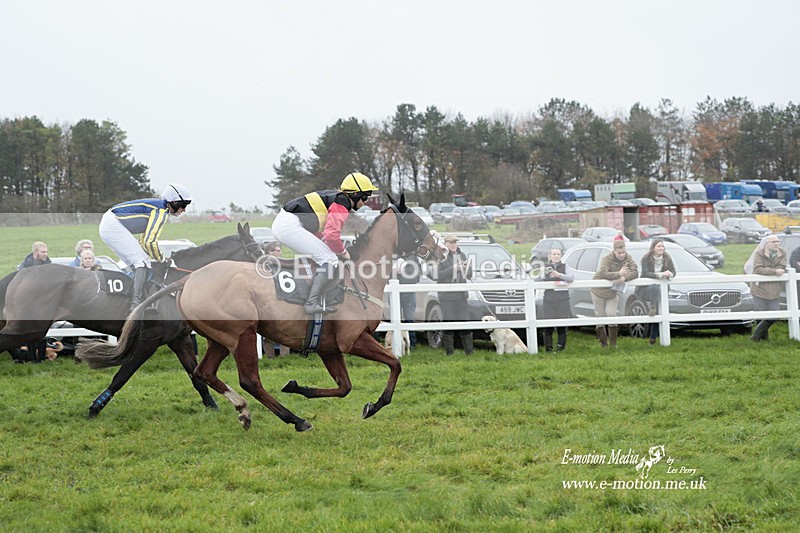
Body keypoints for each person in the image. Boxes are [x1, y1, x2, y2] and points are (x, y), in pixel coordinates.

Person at [271, 172, 378, 314]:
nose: (365, 202)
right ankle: (311, 303)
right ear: (355, 194)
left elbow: (319, 231)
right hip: (288, 226)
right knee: (330, 259)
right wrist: (343, 252)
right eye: (365, 197)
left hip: (287, 223)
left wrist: (334, 248)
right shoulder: (342, 204)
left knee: (326, 256)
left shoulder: (335, 199)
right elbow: (332, 236)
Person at [99, 183, 193, 311]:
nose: (184, 209)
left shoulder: (158, 208)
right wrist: (162, 259)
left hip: (110, 224)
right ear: (175, 202)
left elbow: (143, 242)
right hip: (112, 224)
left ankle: (131, 297)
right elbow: (150, 242)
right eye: (184, 205)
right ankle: (136, 304)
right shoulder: (161, 211)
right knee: (142, 262)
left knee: (140, 264)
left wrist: (158, 257)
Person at [591, 240, 638, 348]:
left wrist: (624, 277)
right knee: (600, 315)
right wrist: (618, 274)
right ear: (614, 251)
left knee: (612, 314)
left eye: (623, 252)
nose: (622, 255)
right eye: (619, 253)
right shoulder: (606, 258)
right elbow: (604, 273)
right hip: (598, 290)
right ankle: (603, 344)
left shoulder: (628, 258)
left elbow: (635, 272)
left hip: (612, 291)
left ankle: (613, 345)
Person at [14, 242, 52, 363]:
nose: (46, 254)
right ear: (35, 253)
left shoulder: (49, 265)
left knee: (42, 331)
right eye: (43, 252)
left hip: (43, 302)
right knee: (30, 332)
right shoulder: (24, 266)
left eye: (46, 251)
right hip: (28, 303)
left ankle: (40, 359)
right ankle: (31, 358)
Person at [436, 235, 473, 355]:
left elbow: (469, 275)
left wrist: (467, 268)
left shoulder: (462, 255)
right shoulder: (440, 257)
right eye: (451, 243)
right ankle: (449, 352)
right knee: (449, 324)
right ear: (445, 244)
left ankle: (469, 352)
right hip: (447, 296)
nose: (453, 245)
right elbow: (437, 275)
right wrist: (454, 268)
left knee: (465, 324)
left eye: (455, 242)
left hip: (462, 295)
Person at [639, 239, 676, 345]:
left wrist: (670, 274)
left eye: (662, 246)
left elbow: (673, 271)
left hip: (662, 289)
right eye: (659, 246)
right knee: (654, 288)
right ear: (653, 248)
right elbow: (646, 273)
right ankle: (653, 306)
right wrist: (660, 275)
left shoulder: (667, 258)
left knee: (660, 312)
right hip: (646, 289)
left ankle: (653, 338)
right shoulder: (646, 258)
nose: (661, 248)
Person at [749, 235, 786, 341]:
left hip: (774, 289)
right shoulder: (759, 253)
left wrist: (774, 270)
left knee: (774, 315)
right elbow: (758, 269)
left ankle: (755, 337)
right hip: (759, 289)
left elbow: (782, 267)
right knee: (760, 315)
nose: (776, 243)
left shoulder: (782, 252)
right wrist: (774, 271)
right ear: (767, 243)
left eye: (777, 241)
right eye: (773, 241)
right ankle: (763, 339)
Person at [541, 247, 574, 352]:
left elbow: (571, 278)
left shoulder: (565, 266)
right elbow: (537, 279)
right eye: (554, 254)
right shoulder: (545, 267)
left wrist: (558, 275)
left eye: (558, 254)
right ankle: (548, 348)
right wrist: (541, 273)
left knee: (561, 324)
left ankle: (560, 348)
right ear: (549, 256)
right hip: (549, 299)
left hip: (562, 299)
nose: (556, 256)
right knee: (548, 324)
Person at [396, 255, 422, 348]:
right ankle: (397, 342)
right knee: (396, 317)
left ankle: (411, 343)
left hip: (410, 290)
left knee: (410, 317)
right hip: (396, 290)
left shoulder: (413, 257)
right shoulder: (394, 254)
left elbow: (418, 273)